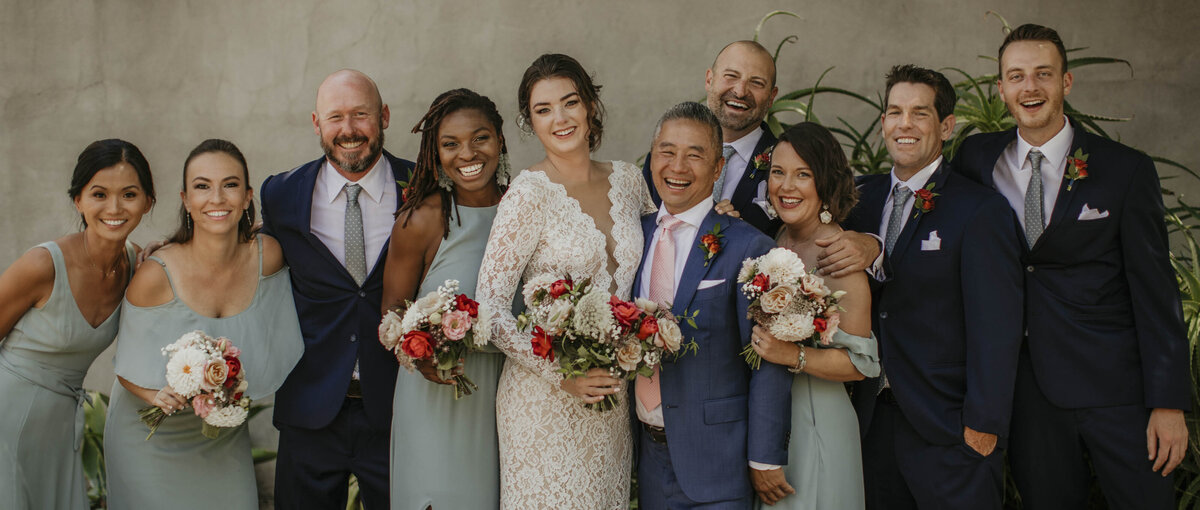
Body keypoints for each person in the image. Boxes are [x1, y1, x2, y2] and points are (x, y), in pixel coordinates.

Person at [952, 24, 1190, 509]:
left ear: (1066, 82)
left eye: (1043, 74)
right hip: (1027, 392)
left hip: (1116, 389)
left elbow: (1155, 290)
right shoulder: (975, 159)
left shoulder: (1124, 169)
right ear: (1001, 89)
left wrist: (1168, 402)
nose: (1030, 87)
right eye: (1016, 76)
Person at [475, 53, 653, 509]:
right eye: (543, 109)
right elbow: (490, 310)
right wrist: (562, 376)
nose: (560, 118)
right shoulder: (528, 195)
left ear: (590, 105)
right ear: (529, 121)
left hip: (612, 398)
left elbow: (668, 246)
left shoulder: (631, 181)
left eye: (570, 102)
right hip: (544, 400)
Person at [843, 65, 1024, 509]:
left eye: (919, 113)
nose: (904, 124)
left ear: (946, 126)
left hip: (949, 429)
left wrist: (983, 426)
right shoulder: (855, 201)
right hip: (868, 424)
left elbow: (997, 327)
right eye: (894, 112)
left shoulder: (979, 209)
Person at [105, 139, 304, 509]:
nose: (216, 198)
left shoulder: (269, 257)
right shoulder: (155, 274)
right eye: (202, 186)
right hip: (151, 435)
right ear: (185, 199)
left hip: (221, 437)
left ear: (247, 197)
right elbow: (126, 363)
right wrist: (155, 397)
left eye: (229, 185)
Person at [262, 69, 414, 509]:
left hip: (397, 409)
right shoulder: (280, 194)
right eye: (335, 118)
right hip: (310, 409)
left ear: (383, 116)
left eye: (360, 114)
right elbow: (243, 253)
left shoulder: (424, 186)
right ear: (316, 123)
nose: (348, 130)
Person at [634, 101, 791, 509]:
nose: (678, 167)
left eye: (695, 154)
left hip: (719, 462)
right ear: (652, 158)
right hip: (646, 459)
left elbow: (768, 360)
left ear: (718, 168)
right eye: (667, 151)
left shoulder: (749, 246)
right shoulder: (634, 235)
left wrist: (765, 455)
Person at [0, 139, 154, 510]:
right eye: (99, 194)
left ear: (148, 202)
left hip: (60, 427)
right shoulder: (43, 265)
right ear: (78, 201)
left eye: (129, 194)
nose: (114, 208)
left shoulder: (138, 265)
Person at [380, 88, 512, 509]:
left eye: (480, 138)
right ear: (435, 153)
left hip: (509, 396)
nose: (467, 154)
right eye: (450, 144)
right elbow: (391, 317)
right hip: (438, 397)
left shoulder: (524, 207)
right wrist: (421, 355)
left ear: (500, 140)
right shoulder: (422, 218)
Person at [742, 122, 880, 509]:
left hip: (817, 420)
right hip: (769, 418)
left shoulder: (839, 257)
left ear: (826, 183)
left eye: (803, 174)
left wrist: (792, 356)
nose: (787, 186)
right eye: (778, 172)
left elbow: (861, 364)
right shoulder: (769, 240)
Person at [643, 41, 781, 236]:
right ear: (709, 80)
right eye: (731, 76)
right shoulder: (663, 159)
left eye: (756, 83)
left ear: (772, 96)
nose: (740, 92)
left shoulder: (785, 163)